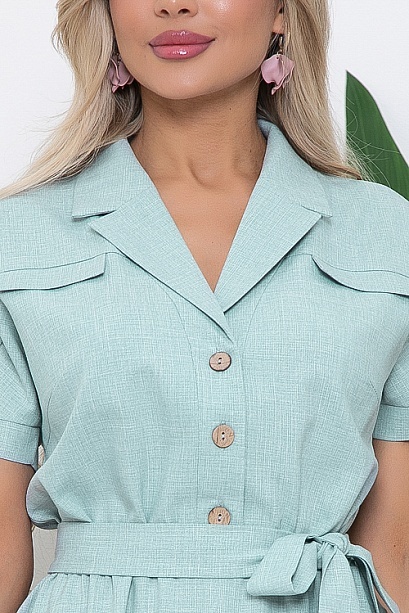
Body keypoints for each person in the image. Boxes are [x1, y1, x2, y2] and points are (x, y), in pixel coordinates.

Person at [0, 0, 408, 611]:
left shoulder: (383, 232)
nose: (174, 4)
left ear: (281, 12)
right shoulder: (21, 236)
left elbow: (394, 546)